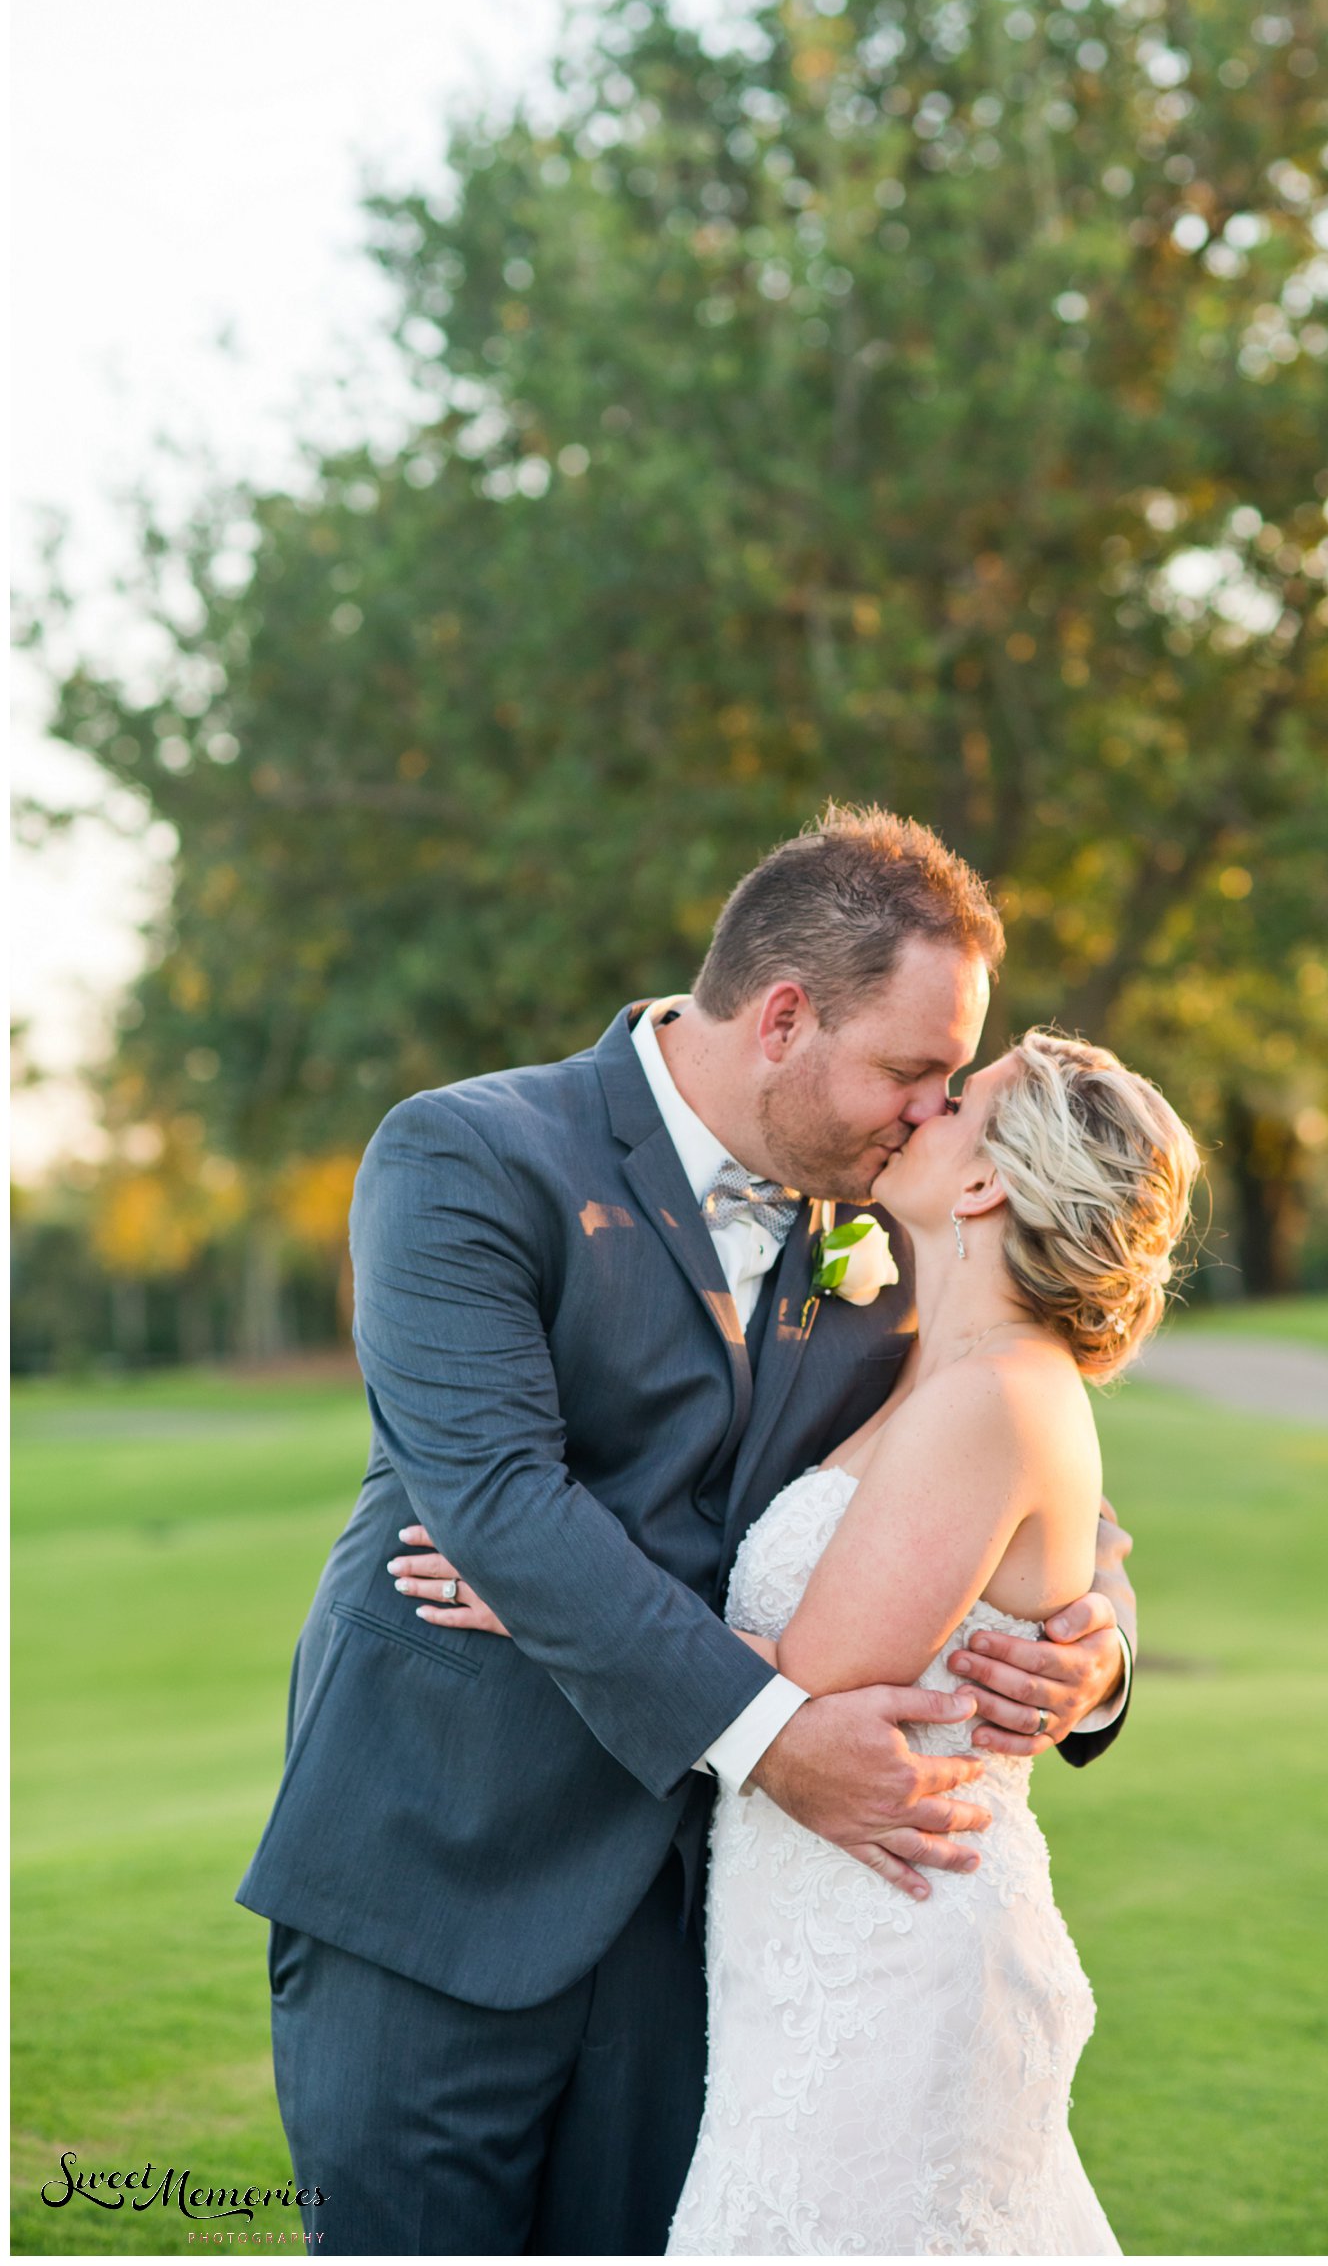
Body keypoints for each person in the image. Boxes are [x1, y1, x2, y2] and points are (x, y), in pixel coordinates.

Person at [235, 808, 1140, 2255]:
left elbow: (1027, 1469)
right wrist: (779, 1733)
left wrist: (1093, 1647)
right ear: (784, 1016)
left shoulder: (897, 1234)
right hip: (441, 1878)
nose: (930, 1111)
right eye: (911, 1070)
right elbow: (498, 1504)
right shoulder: (468, 1155)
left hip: (696, 1936)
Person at [415, 1026, 1202, 2254]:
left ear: (988, 1183)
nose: (921, 1109)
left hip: (888, 1949)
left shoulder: (994, 1393)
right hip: (810, 1940)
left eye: (958, 1100)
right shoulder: (925, 1359)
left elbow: (800, 1691)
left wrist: (543, 1592)